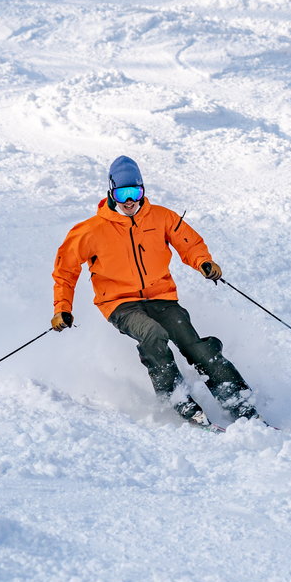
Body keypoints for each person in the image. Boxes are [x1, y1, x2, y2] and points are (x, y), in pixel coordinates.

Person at [50, 155, 259, 426]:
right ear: (111, 192)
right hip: (120, 303)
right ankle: (178, 400)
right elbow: (65, 270)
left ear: (143, 190)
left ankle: (240, 403)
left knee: (196, 347)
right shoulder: (90, 231)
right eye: (122, 193)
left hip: (161, 297)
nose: (129, 200)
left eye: (135, 192)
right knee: (153, 334)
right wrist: (62, 309)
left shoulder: (161, 217)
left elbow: (189, 243)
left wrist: (203, 262)